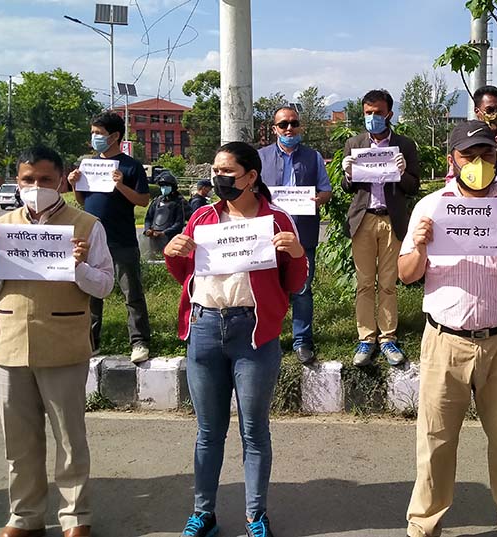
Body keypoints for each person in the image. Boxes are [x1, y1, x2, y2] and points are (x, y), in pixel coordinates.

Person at [399, 120, 497, 537]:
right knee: (436, 439)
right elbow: (407, 274)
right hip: (444, 340)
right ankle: (424, 524)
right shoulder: (430, 206)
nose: (478, 163)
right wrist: (423, 247)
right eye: (469, 155)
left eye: (486, 155)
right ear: (453, 160)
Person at [164, 142, 308, 537]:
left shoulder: (277, 220)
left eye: (227, 172)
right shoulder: (201, 217)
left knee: (254, 430)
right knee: (208, 432)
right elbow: (187, 274)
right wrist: (174, 252)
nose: (219, 178)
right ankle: (203, 514)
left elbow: (295, 283)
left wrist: (296, 253)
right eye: (215, 170)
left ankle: (255, 516)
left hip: (254, 332)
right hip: (205, 328)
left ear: (250, 176)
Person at [0, 145, 115, 537]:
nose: (36, 187)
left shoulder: (87, 225)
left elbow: (104, 286)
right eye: (28, 180)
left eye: (45, 180)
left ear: (61, 180)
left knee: (70, 439)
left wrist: (78, 267)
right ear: (17, 181)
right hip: (10, 343)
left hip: (64, 341)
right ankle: (25, 516)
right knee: (18, 441)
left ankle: (76, 516)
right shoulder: (3, 225)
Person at [341, 89, 420, 366]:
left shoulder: (405, 145)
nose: (373, 117)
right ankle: (366, 338)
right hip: (363, 219)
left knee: (387, 283)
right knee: (364, 283)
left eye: (377, 112)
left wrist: (402, 171)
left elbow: (414, 186)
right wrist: (347, 173)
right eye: (368, 113)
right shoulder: (355, 143)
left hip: (391, 219)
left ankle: (388, 338)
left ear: (389, 114)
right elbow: (348, 187)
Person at [68, 111, 152, 363]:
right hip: (92, 237)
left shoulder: (130, 166)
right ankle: (91, 342)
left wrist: (121, 185)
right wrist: (74, 184)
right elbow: (84, 201)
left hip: (121, 238)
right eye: (93, 133)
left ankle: (139, 342)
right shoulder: (89, 164)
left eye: (99, 134)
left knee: (131, 293)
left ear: (115, 136)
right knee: (91, 292)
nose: (94, 138)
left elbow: (143, 200)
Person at [258, 106, 333, 365]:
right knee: (268, 288)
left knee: (302, 289)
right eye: (283, 124)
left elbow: (326, 190)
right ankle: (269, 338)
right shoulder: (260, 157)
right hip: (268, 236)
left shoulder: (313, 157)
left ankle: (302, 340)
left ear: (300, 127)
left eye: (294, 123)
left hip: (303, 235)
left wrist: (318, 199)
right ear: (274, 129)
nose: (289, 128)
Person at [143, 170, 187, 257]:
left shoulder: (178, 203)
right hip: (154, 238)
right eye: (162, 186)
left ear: (173, 187)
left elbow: (179, 223)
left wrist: (164, 233)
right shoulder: (156, 201)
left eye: (167, 185)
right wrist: (147, 229)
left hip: (170, 239)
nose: (164, 188)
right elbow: (148, 218)